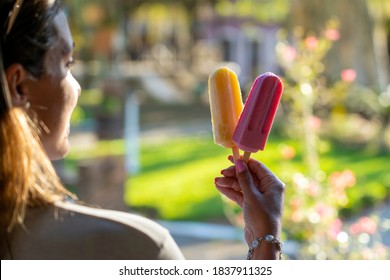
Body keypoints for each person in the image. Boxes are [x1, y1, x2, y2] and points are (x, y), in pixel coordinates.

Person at [0, 0, 285, 260]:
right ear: (18, 86)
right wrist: (265, 239)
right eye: (67, 63)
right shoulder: (139, 248)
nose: (78, 86)